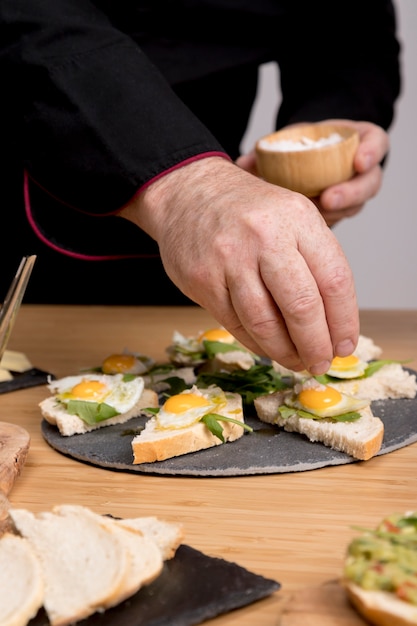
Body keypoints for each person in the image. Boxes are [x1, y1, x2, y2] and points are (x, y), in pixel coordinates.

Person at [0, 0, 401, 374]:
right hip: (41, 174)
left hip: (219, 193)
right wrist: (189, 185)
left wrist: (329, 124)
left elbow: (352, 28)